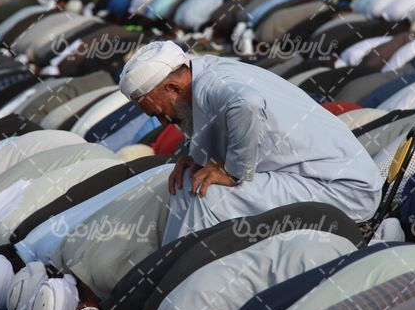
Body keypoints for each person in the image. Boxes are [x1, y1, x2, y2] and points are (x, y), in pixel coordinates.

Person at [118, 40, 384, 243]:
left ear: (174, 88)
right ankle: (165, 263)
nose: (164, 122)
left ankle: (175, 280)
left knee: (208, 194)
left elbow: (247, 103)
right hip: (311, 179)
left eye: (160, 113)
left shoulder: (213, 83)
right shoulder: (206, 73)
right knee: (190, 179)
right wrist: (195, 159)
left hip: (343, 191)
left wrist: (233, 172)